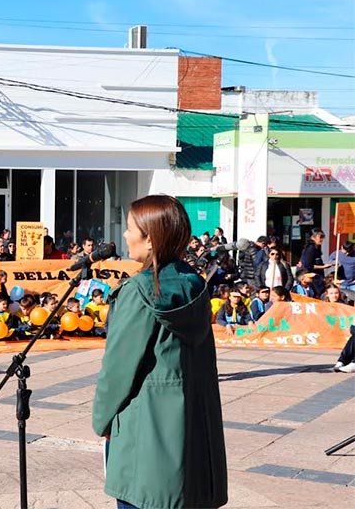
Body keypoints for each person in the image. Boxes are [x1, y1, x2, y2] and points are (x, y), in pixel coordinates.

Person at [92, 195, 227, 509]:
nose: (124, 236)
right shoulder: (195, 285)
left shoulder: (138, 291)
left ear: (150, 238)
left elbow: (117, 370)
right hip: (193, 437)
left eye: (129, 229)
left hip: (146, 437)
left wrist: (102, 420)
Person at [297, 228, 332, 297]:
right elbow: (308, 265)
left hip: (317, 279)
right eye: (320, 237)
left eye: (323, 237)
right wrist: (324, 266)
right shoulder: (310, 249)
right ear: (313, 238)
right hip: (311, 280)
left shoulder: (317, 248)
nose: (322, 239)